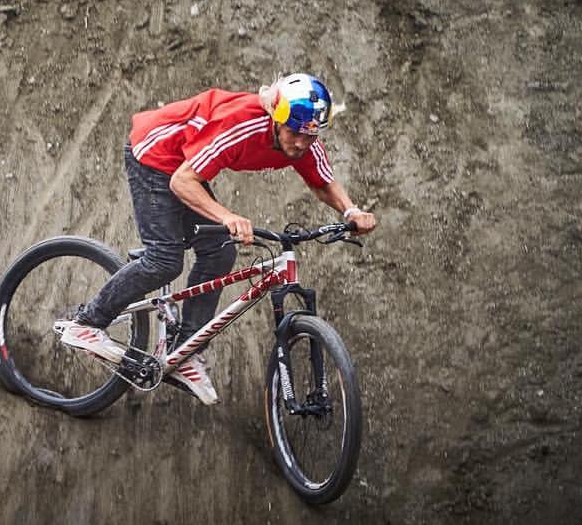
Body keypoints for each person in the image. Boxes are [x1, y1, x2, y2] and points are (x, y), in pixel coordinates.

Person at [55, 74, 377, 405]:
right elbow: (182, 182)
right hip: (156, 154)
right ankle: (86, 323)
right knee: (164, 260)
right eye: (294, 133)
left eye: (309, 136)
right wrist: (227, 216)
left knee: (220, 252)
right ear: (275, 118)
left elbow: (322, 182)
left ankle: (185, 351)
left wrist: (351, 211)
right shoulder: (242, 126)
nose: (300, 143)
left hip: (186, 165)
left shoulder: (304, 140)